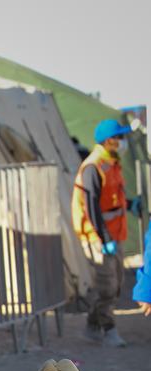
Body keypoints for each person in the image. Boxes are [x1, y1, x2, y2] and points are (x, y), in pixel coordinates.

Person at [73, 119, 133, 347]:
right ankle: (108, 329)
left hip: (115, 234)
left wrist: (130, 204)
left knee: (116, 284)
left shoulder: (111, 163)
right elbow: (91, 206)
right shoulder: (93, 166)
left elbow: (112, 199)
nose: (122, 142)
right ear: (108, 140)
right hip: (98, 237)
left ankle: (91, 325)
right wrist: (103, 238)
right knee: (108, 286)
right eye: (119, 137)